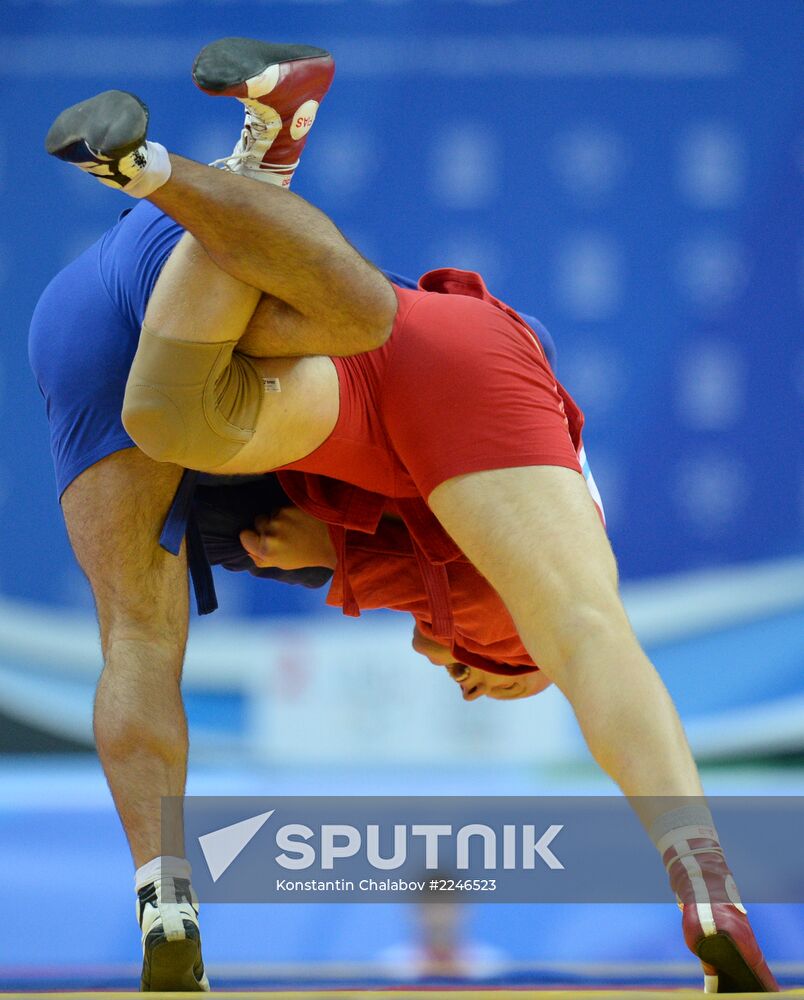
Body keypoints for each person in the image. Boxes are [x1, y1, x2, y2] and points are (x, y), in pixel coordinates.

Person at [35, 37, 777, 993]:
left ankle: (192, 167)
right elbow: (570, 642)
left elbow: (368, 557)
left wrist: (340, 558)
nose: (460, 685)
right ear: (490, 652)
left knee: (195, 415)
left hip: (260, 316)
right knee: (147, 613)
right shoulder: (486, 616)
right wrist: (475, 643)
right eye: (485, 680)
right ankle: (165, 897)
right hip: (367, 356)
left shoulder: (409, 567)